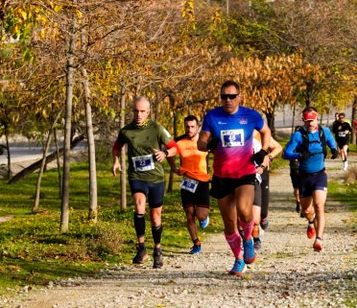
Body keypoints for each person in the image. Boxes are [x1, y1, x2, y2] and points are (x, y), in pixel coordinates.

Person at [198, 80, 273, 276]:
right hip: (222, 176)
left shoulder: (250, 115)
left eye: (232, 96)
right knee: (229, 223)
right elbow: (201, 142)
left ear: (239, 97)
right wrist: (208, 143)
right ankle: (239, 259)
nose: (228, 100)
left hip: (245, 173)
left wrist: (263, 151)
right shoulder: (212, 116)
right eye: (224, 96)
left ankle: (248, 237)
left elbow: (266, 131)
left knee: (244, 212)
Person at [111, 96, 175, 269]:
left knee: (155, 218)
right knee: (139, 207)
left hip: (156, 178)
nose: (138, 115)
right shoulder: (126, 131)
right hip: (137, 176)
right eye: (136, 111)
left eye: (142, 112)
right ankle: (141, 248)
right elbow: (117, 146)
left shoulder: (157, 128)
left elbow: (174, 147)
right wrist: (116, 160)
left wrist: (165, 154)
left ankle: (157, 250)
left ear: (148, 112)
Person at [283, 107, 338, 251]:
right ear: (303, 121)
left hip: (320, 175)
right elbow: (286, 153)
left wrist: (334, 150)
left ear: (317, 118)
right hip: (304, 177)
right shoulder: (298, 135)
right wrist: (299, 155)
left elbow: (332, 141)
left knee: (319, 205)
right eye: (307, 121)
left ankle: (318, 239)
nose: (310, 124)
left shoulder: (324, 132)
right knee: (307, 210)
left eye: (312, 121)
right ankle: (311, 222)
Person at [168, 115, 211, 255]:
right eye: (187, 126)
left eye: (192, 126)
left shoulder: (204, 141)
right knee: (189, 214)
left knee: (200, 215)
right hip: (187, 182)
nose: (189, 129)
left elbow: (218, 151)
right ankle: (196, 243)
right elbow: (168, 152)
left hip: (203, 181)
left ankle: (204, 218)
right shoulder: (179, 142)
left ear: (198, 127)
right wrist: (174, 168)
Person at [250, 130, 281, 250]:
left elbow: (278, 147)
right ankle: (255, 238)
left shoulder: (260, 135)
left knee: (262, 211)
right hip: (248, 174)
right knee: (251, 211)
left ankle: (264, 218)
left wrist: (269, 156)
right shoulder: (239, 135)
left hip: (263, 174)